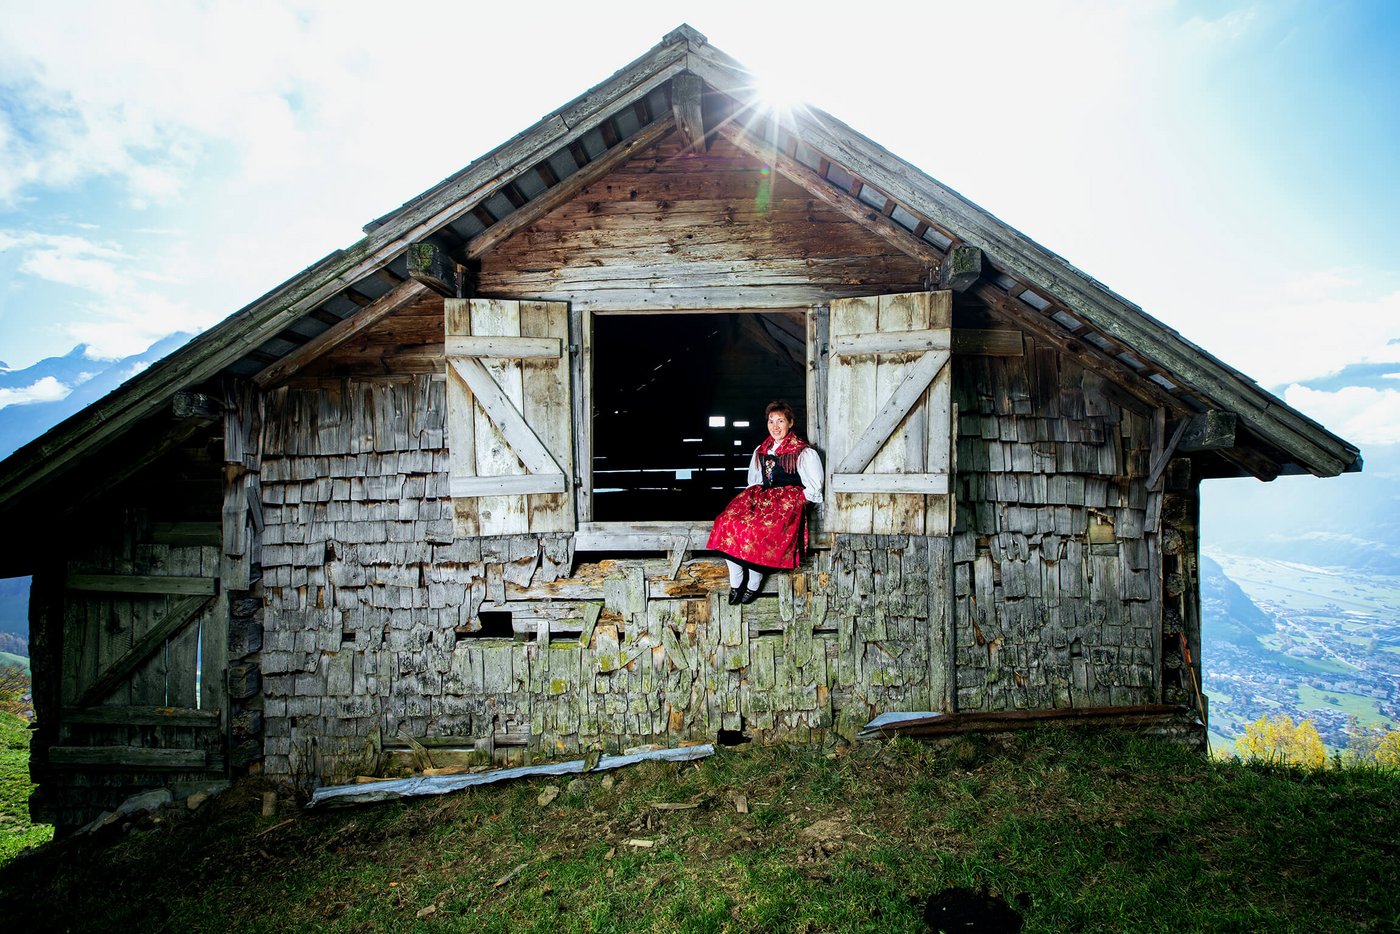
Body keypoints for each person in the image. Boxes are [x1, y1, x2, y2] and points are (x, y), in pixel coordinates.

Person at [707, 401, 824, 605]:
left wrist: (793, 502)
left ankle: (754, 580)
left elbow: (814, 489)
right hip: (763, 499)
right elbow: (755, 481)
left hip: (787, 502)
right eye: (771, 421)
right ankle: (736, 581)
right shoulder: (761, 450)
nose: (775, 426)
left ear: (790, 423)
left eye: (780, 421)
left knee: (759, 530)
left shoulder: (803, 452)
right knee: (727, 521)